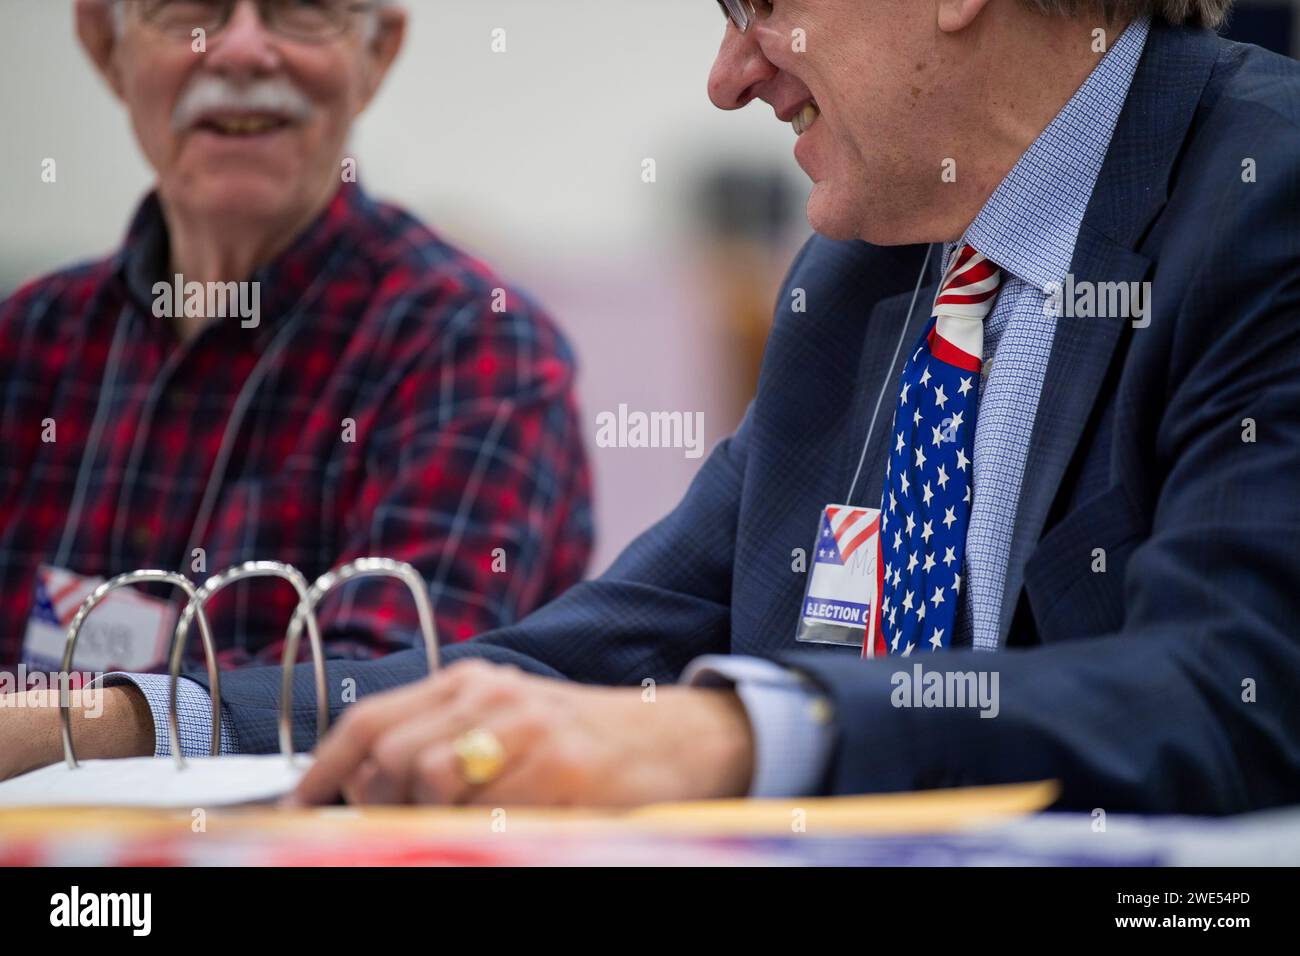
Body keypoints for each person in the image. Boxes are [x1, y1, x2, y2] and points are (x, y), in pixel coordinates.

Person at [6, 0, 1299, 814]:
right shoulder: (863, 275)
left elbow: (1232, 690)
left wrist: (728, 734)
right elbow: (582, 658)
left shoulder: (1264, 195)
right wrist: (130, 719)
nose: (729, 77)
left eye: (757, 2)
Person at [0, 0, 592, 694]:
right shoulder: (27, 342)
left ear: (377, 54)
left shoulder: (478, 353)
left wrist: (54, 722)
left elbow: (384, 695)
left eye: (300, 10)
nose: (243, 51)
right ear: (106, 47)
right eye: (191, 9)